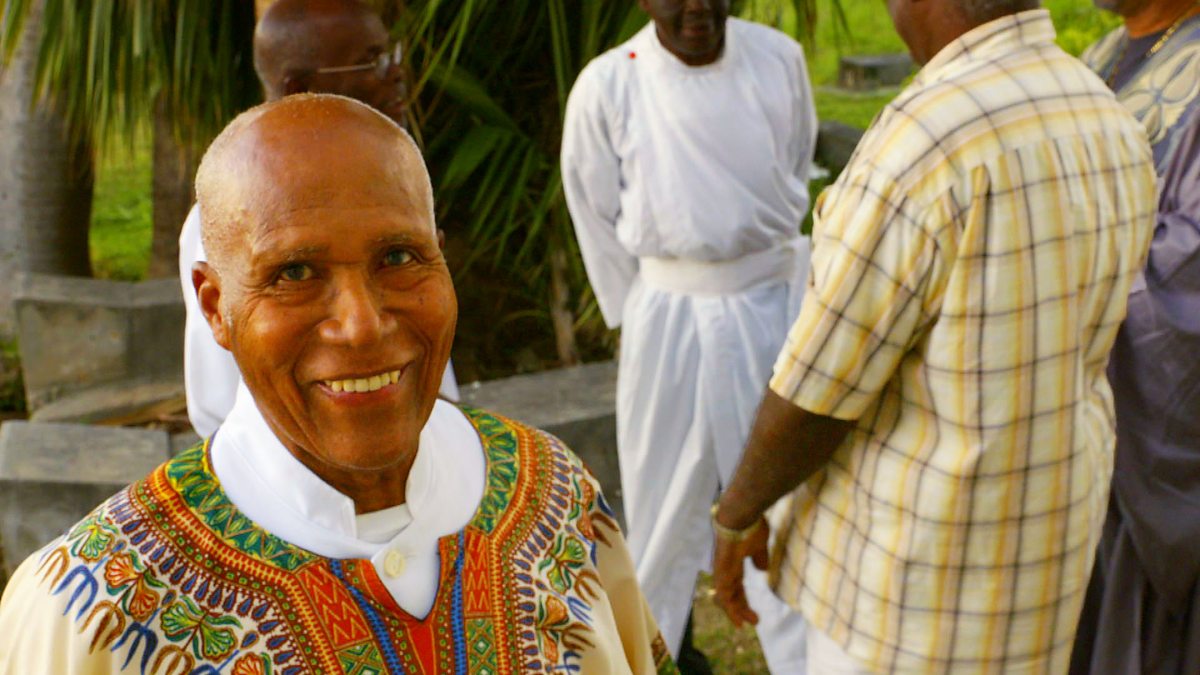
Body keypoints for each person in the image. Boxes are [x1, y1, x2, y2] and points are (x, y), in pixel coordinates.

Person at [0, 94, 675, 674]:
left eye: (399, 256)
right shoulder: (92, 609)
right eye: (294, 273)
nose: (362, 325)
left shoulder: (555, 495)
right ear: (214, 306)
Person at [709, 1, 1159, 672]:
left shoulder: (927, 138)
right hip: (1042, 565)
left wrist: (738, 512)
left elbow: (820, 389)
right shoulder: (1102, 111)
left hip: (909, 596)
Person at [560, 0, 815, 669]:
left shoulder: (779, 60)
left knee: (787, 500)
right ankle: (650, 657)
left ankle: (802, 658)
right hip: (666, 318)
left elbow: (794, 165)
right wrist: (646, 306)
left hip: (772, 306)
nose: (697, 6)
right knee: (658, 507)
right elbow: (592, 206)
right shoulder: (609, 83)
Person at [179, 0, 458, 439]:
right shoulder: (232, 217)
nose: (395, 73)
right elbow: (219, 399)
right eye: (296, 272)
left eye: (398, 257)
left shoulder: (393, 183)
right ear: (300, 85)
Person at [1068, 0, 1200, 672]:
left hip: (1147, 446)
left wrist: (1050, 276)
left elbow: (1188, 277)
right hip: (1073, 437)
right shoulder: (1095, 58)